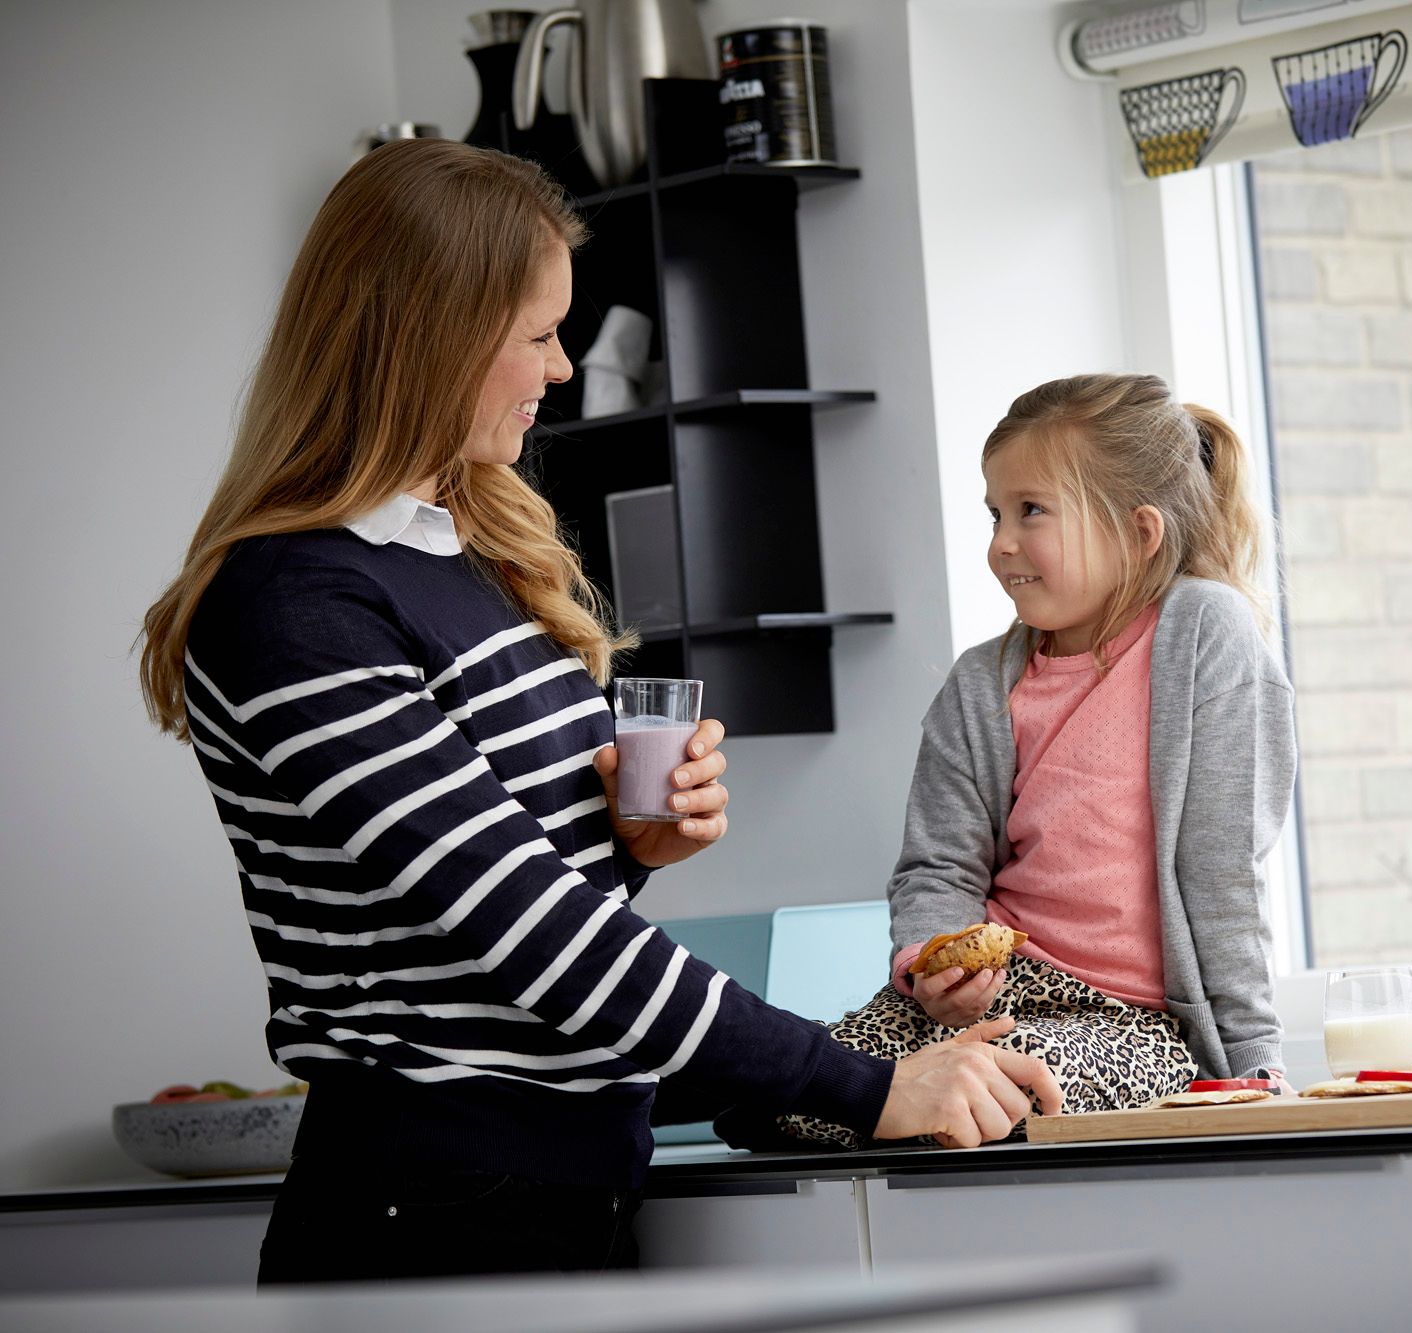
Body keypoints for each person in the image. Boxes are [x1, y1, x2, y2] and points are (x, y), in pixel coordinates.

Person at [135, 139, 1058, 1285]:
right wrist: (860, 1084)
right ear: (431, 336)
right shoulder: (295, 601)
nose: (562, 369)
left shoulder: (462, 561)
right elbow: (531, 932)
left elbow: (512, 909)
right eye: (535, 335)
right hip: (424, 1212)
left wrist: (631, 845)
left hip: (562, 1187)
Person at [745, 373, 1297, 1151]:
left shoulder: (1207, 632)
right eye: (995, 513)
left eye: (1030, 511)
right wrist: (928, 972)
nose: (1001, 543)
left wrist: (1256, 1070)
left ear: (1140, 532)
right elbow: (938, 868)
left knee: (1004, 1083)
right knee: (774, 1085)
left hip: (1134, 1022)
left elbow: (1222, 868)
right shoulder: (982, 683)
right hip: (988, 1002)